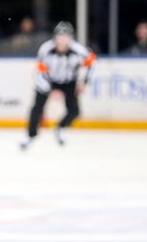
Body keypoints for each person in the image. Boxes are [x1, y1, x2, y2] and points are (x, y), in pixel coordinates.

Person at [21, 21, 96, 150]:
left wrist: (84, 82)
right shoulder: (46, 49)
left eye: (66, 36)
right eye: (60, 36)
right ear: (55, 37)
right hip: (48, 80)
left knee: (74, 111)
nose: (62, 40)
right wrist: (48, 90)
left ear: (71, 38)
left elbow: (92, 63)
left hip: (69, 82)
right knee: (36, 108)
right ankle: (30, 136)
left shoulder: (79, 50)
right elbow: (39, 72)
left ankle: (60, 128)